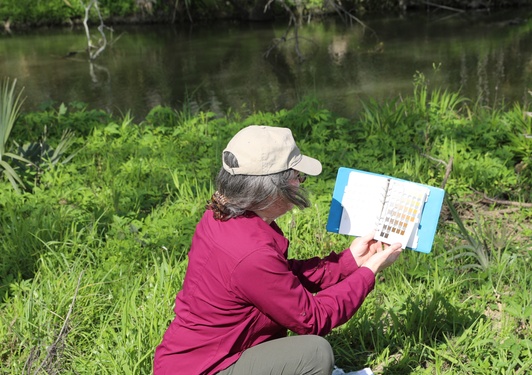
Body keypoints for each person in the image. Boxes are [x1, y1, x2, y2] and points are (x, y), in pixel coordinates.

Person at [154, 125, 404, 375]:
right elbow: (313, 319)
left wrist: (349, 261)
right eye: (296, 176)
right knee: (316, 354)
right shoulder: (251, 253)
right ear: (271, 189)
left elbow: (279, 276)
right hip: (208, 368)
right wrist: (369, 272)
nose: (300, 184)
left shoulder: (222, 214)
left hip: (197, 357)